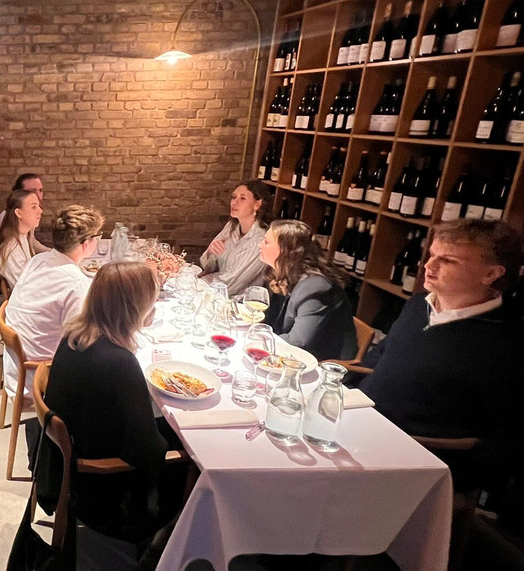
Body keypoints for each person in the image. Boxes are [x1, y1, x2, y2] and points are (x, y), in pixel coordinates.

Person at [44, 261, 209, 571]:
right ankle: (158, 567)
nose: (154, 307)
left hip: (63, 468)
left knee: (171, 432)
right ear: (135, 308)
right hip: (102, 490)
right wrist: (181, 449)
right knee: (200, 465)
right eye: (151, 301)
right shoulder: (120, 362)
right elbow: (147, 453)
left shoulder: (74, 336)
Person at [359, 219, 524, 490]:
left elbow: (505, 438)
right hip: (360, 424)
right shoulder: (417, 305)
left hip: (413, 462)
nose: (428, 265)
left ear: (492, 274)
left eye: (447, 260)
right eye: (432, 254)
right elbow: (383, 352)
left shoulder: (506, 343)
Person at [4, 204, 104, 397]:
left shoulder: (38, 260)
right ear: (86, 244)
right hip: (40, 374)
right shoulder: (76, 283)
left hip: (16, 365)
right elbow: (80, 340)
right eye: (97, 237)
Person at [260, 219, 357, 361]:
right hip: (287, 353)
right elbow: (270, 318)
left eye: (266, 242)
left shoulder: (315, 287)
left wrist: (258, 340)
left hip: (320, 363)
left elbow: (299, 342)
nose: (260, 245)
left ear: (286, 250)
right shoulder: (281, 273)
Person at [199, 179, 271, 296]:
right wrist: (211, 252)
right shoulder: (231, 227)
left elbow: (231, 284)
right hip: (214, 293)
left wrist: (200, 283)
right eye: (234, 197)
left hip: (240, 302)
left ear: (257, 204)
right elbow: (205, 265)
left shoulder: (262, 239)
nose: (234, 202)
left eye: (242, 198)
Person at [0, 189, 47, 288]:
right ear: (19, 213)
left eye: (39, 206)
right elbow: (25, 288)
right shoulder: (11, 248)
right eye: (33, 207)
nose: (40, 211)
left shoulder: (24, 236)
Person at [0, 173, 45, 256]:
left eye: (40, 190)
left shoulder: (29, 215)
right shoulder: (11, 219)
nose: (38, 196)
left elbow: (31, 241)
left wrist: (52, 253)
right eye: (32, 191)